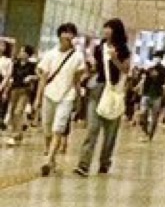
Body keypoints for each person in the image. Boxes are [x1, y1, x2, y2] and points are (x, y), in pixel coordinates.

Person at [76, 18, 131, 177]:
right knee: (92, 129)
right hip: (97, 89)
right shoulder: (99, 47)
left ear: (116, 31)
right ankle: (83, 164)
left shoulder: (123, 49)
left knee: (110, 133)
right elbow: (96, 67)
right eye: (105, 27)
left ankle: (105, 163)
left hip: (113, 91)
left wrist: (114, 59)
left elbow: (126, 70)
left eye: (109, 28)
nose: (106, 30)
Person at [36, 24, 84, 176]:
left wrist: (78, 98)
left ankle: (48, 159)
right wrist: (38, 98)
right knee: (47, 128)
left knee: (58, 128)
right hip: (49, 94)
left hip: (67, 96)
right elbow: (43, 78)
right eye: (64, 33)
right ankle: (51, 156)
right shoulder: (50, 54)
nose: (67, 36)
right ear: (59, 35)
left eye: (70, 33)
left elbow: (77, 80)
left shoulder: (78, 56)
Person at [4, 44, 38, 146]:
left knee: (18, 111)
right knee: (12, 112)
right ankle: (17, 132)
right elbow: (10, 77)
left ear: (28, 54)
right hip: (14, 89)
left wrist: (31, 77)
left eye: (23, 51)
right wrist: (6, 90)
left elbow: (37, 76)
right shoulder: (15, 64)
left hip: (25, 90)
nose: (21, 53)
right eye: (21, 51)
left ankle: (14, 134)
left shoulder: (32, 65)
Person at [138, 52, 165, 140]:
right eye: (155, 57)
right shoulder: (148, 68)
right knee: (142, 115)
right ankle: (145, 131)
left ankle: (150, 135)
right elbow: (143, 77)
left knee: (154, 117)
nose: (156, 59)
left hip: (157, 95)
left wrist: (159, 70)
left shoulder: (163, 69)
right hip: (146, 94)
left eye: (158, 58)